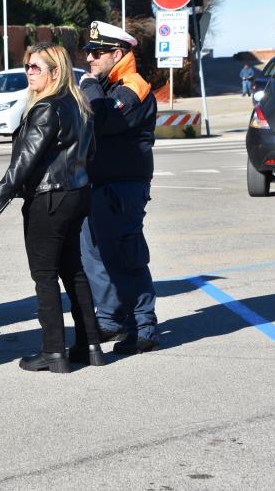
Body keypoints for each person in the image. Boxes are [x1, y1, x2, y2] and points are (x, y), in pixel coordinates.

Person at [0, 43, 104, 373]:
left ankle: (53, 352)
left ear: (55, 72)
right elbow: (89, 154)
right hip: (76, 194)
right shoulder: (78, 105)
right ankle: (90, 345)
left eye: (35, 67)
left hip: (49, 199)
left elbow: (26, 160)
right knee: (73, 271)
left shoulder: (48, 107)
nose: (29, 72)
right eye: (27, 67)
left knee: (45, 277)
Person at [78, 20, 159, 355]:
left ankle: (144, 326)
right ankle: (111, 318)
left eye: (98, 53)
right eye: (88, 53)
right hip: (97, 183)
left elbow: (105, 120)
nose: (91, 59)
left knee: (125, 255)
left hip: (122, 186)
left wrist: (89, 88)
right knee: (92, 254)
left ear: (119, 52)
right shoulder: (107, 84)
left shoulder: (132, 86)